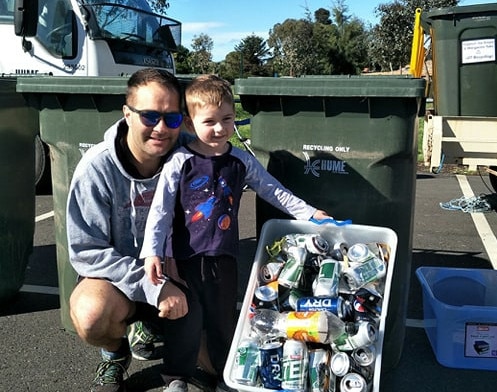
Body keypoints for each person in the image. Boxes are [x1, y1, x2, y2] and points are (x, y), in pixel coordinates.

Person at [139, 74, 331, 392]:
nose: (219, 128)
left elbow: (274, 191)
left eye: (227, 119)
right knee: (184, 321)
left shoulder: (240, 161)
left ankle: (225, 375)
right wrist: (153, 252)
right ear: (189, 123)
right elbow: (159, 210)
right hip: (183, 257)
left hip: (223, 258)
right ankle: (176, 377)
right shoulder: (180, 161)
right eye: (209, 121)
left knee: (222, 320)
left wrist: (309, 212)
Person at [67, 68, 194, 392]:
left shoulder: (192, 155)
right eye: (150, 116)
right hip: (119, 281)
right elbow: (87, 251)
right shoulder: (97, 168)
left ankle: (154, 328)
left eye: (172, 118)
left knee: (214, 364)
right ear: (127, 113)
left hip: (179, 275)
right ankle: (115, 353)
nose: (162, 128)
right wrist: (152, 288)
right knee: (90, 313)